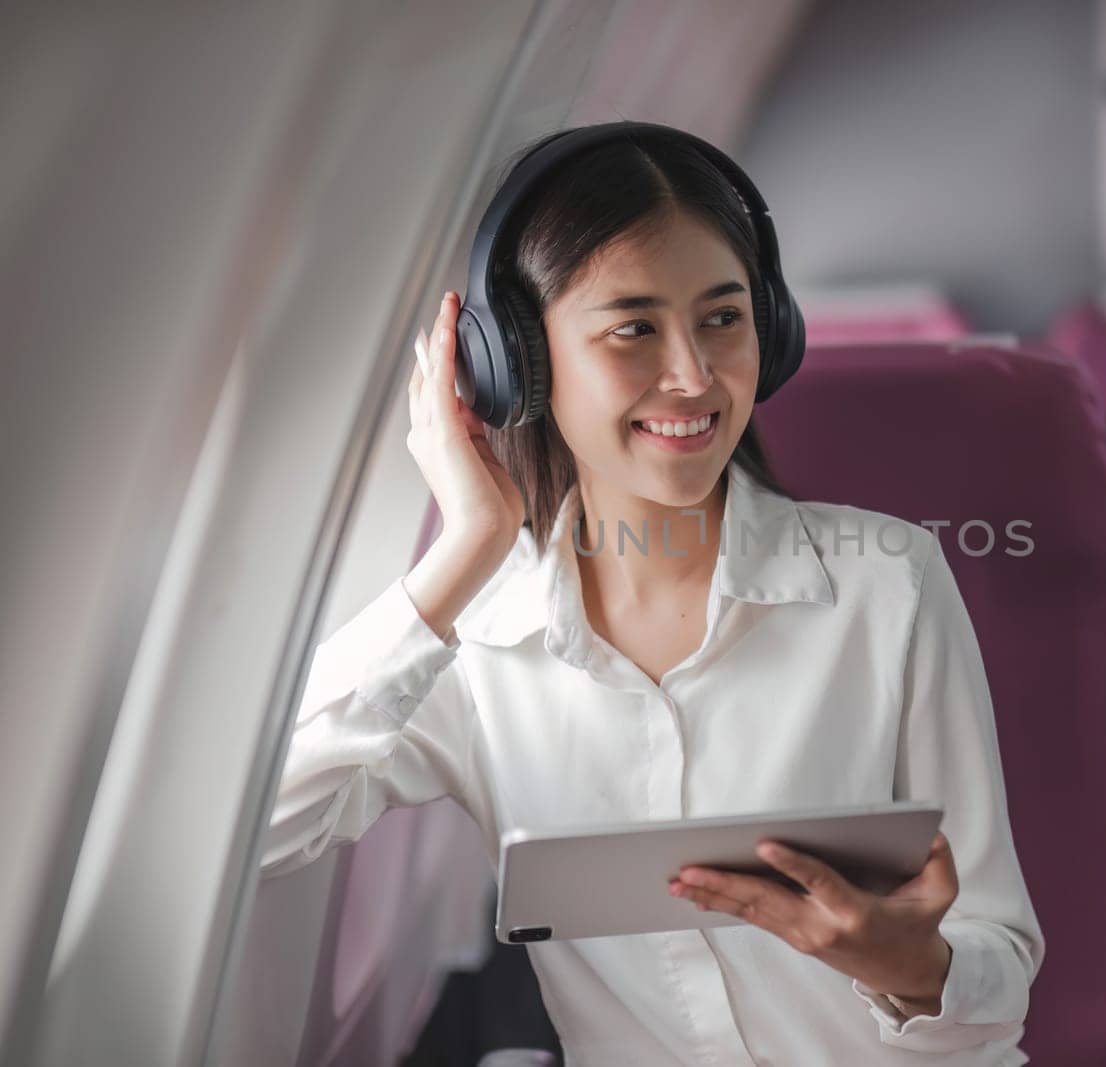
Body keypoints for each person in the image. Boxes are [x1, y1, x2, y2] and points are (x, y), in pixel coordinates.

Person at [259, 123, 1043, 1064]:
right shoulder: (479, 644)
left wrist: (911, 967)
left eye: (723, 317)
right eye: (634, 328)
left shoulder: (889, 584)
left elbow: (998, 972)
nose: (694, 375)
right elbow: (261, 824)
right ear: (520, 362)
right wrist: (464, 550)